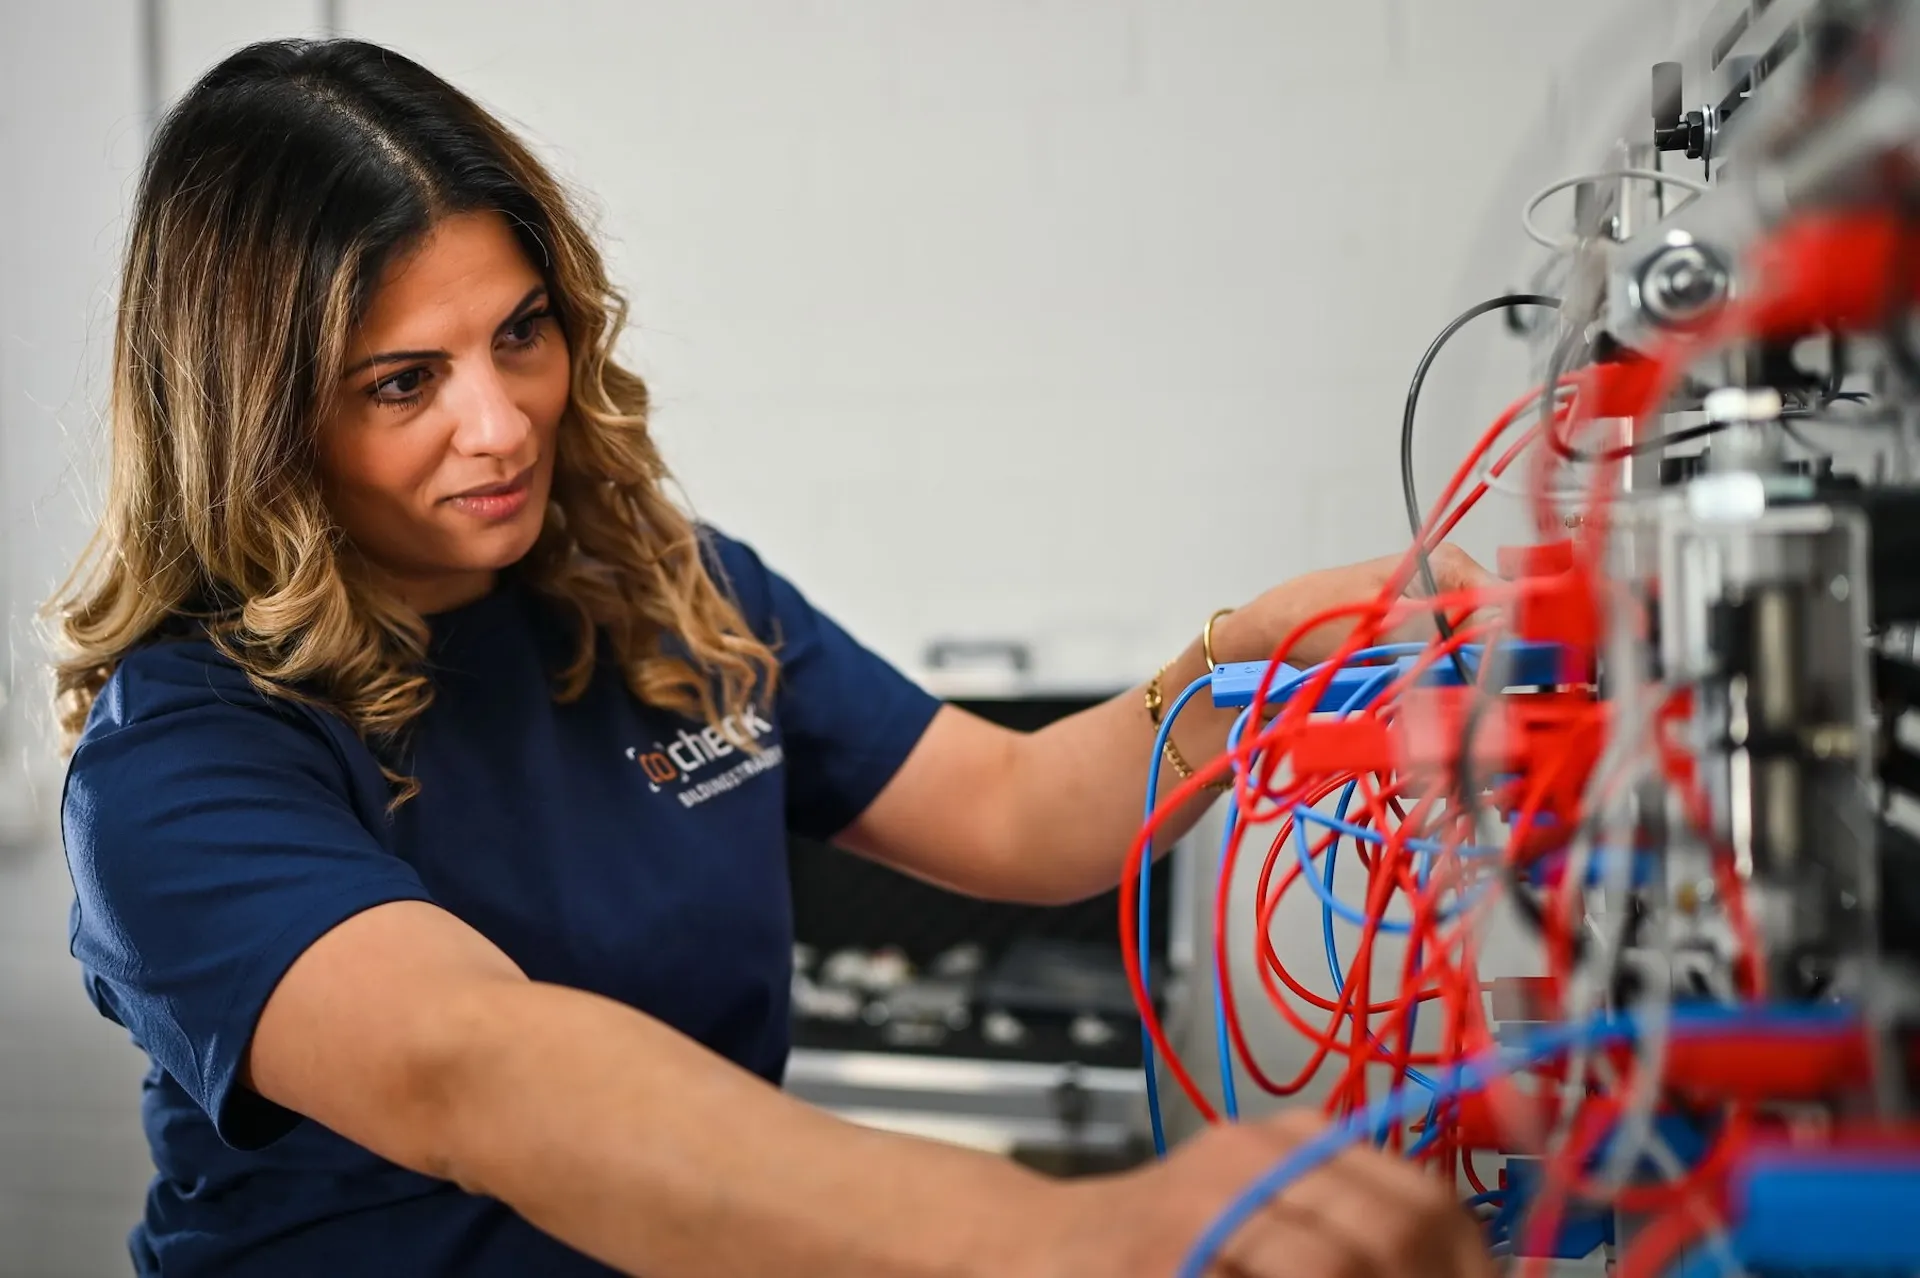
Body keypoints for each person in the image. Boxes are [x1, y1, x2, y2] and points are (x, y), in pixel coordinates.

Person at [49, 38, 1496, 1278]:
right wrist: (1071, 1237)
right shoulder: (183, 752)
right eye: (405, 382)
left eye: (522, 333)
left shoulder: (671, 590)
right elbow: (476, 1067)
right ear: (259, 418)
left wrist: (1239, 666)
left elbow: (1011, 807)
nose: (500, 424)